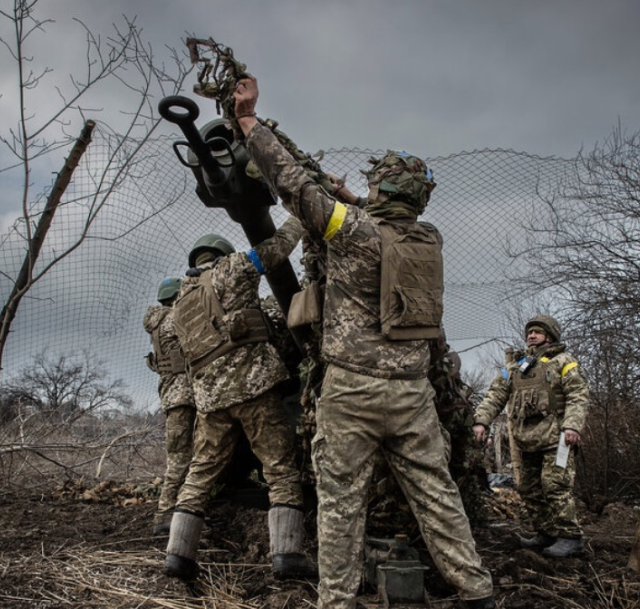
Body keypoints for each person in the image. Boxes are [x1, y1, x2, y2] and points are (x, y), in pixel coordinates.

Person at [233, 76, 495, 609]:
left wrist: (247, 122)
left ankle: (337, 600)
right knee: (438, 496)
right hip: (412, 394)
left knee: (340, 504)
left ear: (382, 193)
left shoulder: (350, 231)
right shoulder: (428, 238)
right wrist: (350, 194)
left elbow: (289, 182)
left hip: (352, 392)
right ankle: (476, 591)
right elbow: (380, 219)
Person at [164, 223, 317, 581]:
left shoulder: (179, 302)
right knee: (280, 469)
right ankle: (287, 555)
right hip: (253, 389)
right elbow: (276, 249)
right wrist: (299, 213)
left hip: (210, 401)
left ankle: (177, 556)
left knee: (199, 474)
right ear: (221, 253)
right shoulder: (231, 267)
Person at [472, 315, 589, 558]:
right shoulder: (515, 367)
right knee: (528, 487)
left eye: (537, 332)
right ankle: (545, 533)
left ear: (550, 335)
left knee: (554, 485)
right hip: (527, 441)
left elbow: (578, 394)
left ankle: (570, 537)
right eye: (529, 333)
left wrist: (572, 427)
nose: (531, 336)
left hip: (557, 440)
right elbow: (495, 395)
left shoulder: (563, 362)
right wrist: (481, 421)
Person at [143, 277, 197, 536]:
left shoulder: (156, 323)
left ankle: (172, 511)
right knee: (180, 458)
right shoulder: (174, 320)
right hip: (185, 396)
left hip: (172, 397)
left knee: (181, 455)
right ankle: (166, 513)